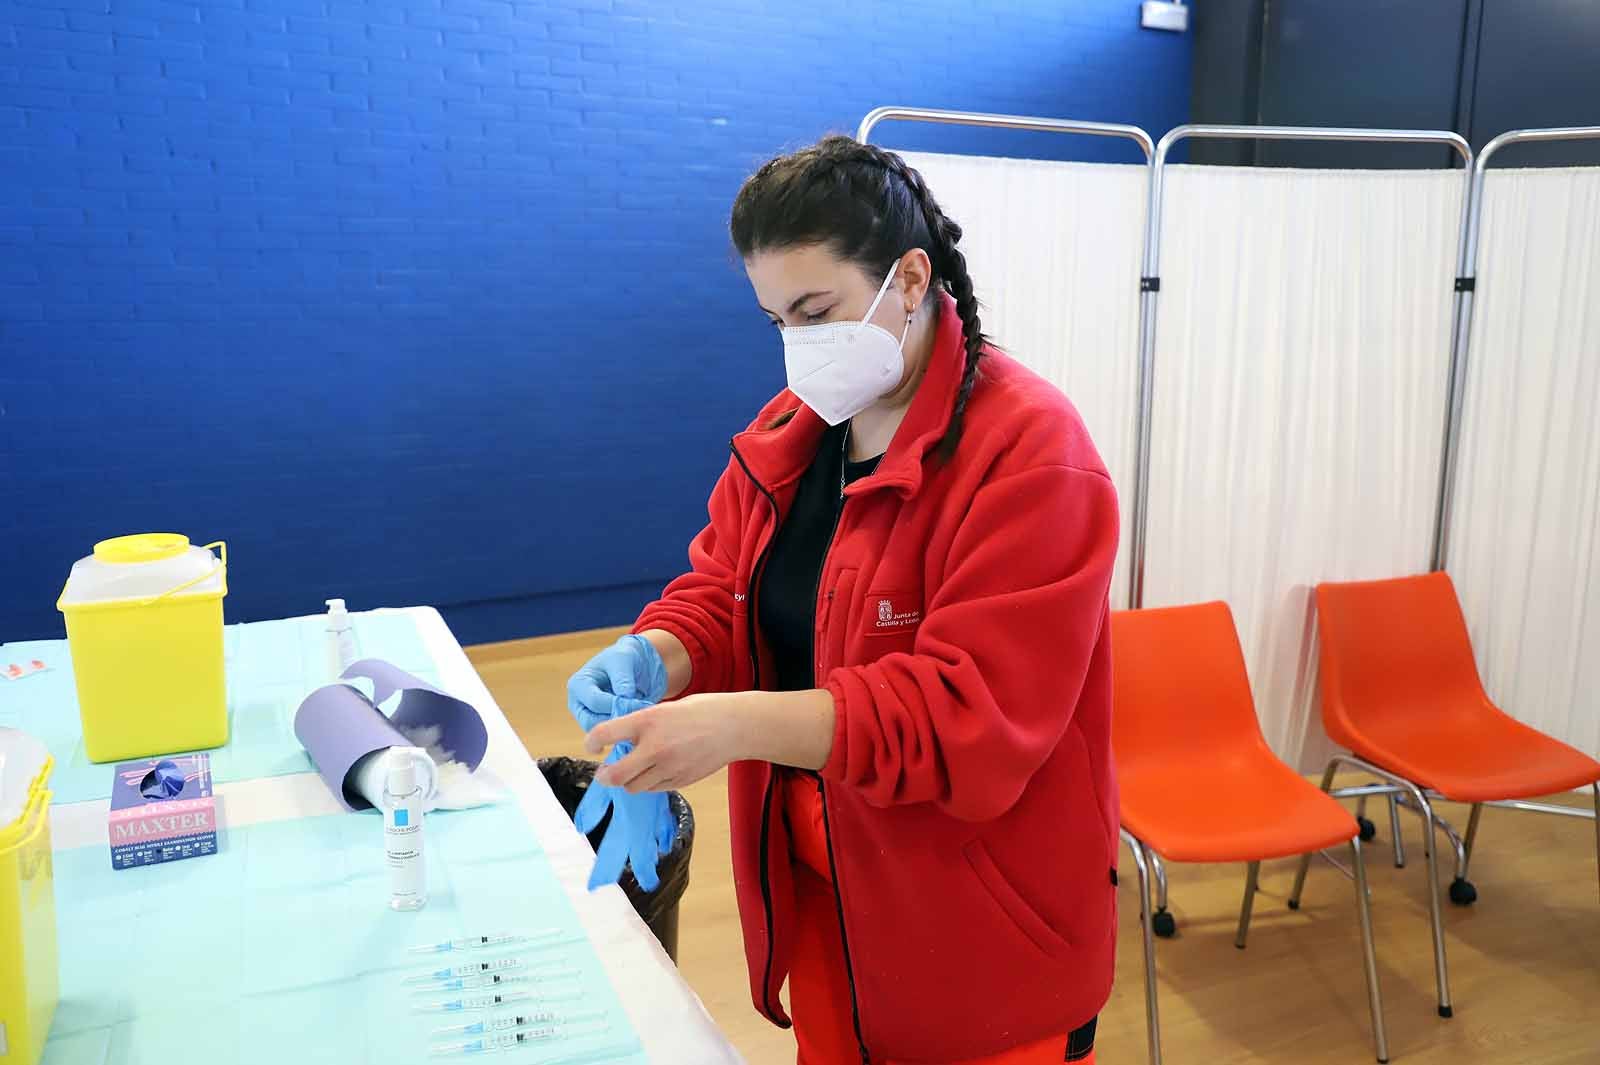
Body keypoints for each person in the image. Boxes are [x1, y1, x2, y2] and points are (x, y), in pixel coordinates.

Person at [568, 135, 1120, 1065]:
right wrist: (659, 651)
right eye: (777, 319)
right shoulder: (792, 434)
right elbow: (727, 592)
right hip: (832, 917)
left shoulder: (1030, 456)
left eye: (816, 310)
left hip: (983, 948)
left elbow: (963, 719)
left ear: (910, 279)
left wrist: (732, 725)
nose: (798, 345)